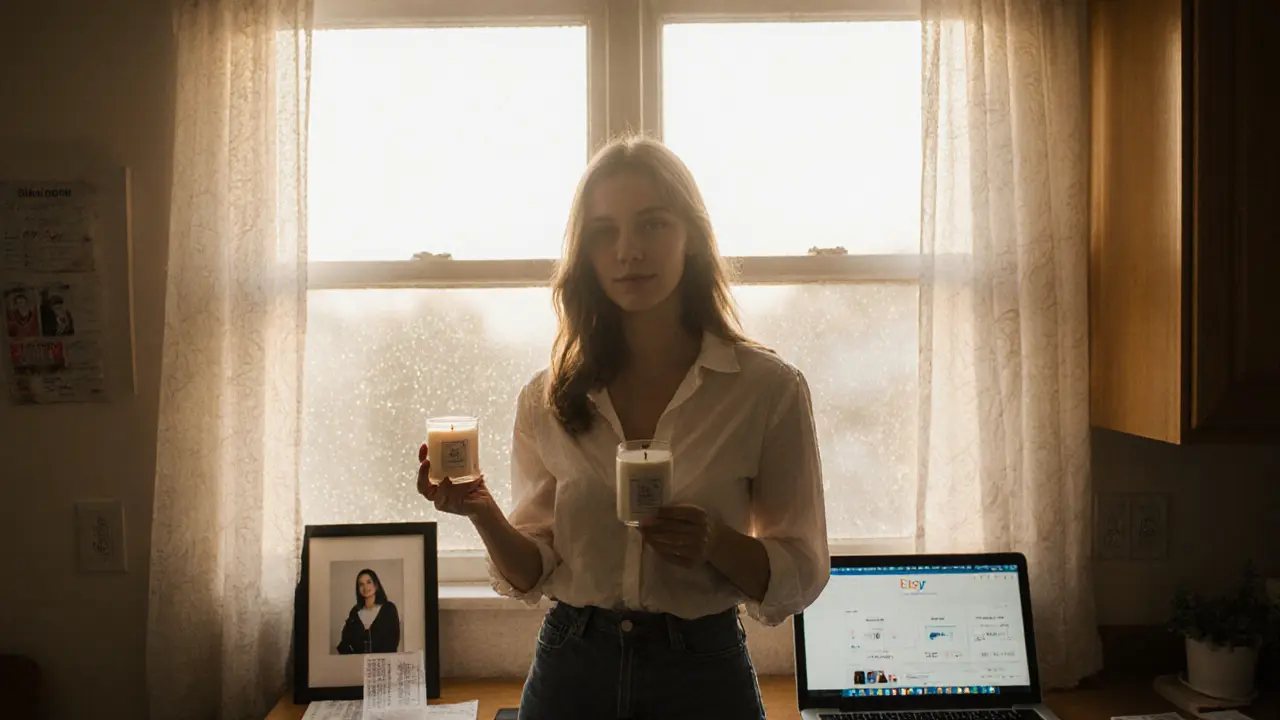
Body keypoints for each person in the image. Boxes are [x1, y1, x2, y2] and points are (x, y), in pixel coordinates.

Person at [417, 136, 829, 719]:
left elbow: (803, 572)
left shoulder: (767, 390)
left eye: (652, 225)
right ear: (584, 253)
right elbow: (535, 570)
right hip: (571, 668)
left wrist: (715, 542)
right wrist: (483, 510)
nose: (628, 251)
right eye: (604, 231)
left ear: (691, 239)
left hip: (703, 673)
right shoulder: (547, 398)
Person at [336, 568, 401, 654]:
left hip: (381, 663)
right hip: (358, 664)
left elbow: (393, 641)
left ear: (376, 585)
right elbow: (344, 643)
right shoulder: (355, 612)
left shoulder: (389, 609)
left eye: (369, 582)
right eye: (361, 584)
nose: (365, 587)